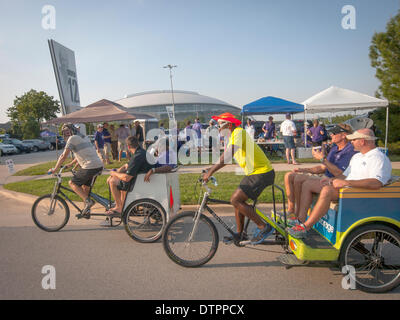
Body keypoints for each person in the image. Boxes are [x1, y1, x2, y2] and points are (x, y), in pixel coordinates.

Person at [287, 128, 392, 238]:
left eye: (354, 139)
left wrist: (345, 182)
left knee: (327, 190)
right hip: (349, 188)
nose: (351, 142)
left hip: (360, 193)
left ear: (362, 141)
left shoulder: (379, 158)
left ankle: (305, 227)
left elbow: (376, 183)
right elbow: (345, 175)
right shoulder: (357, 156)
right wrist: (331, 180)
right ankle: (300, 220)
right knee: (308, 184)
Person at [202, 112, 275, 245]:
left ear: (229, 125)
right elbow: (224, 156)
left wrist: (211, 172)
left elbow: (227, 157)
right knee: (237, 200)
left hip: (262, 172)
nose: (218, 129)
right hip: (254, 173)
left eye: (220, 125)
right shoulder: (233, 137)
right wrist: (210, 169)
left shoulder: (239, 132)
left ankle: (264, 227)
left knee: (235, 199)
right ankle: (240, 234)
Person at [283, 123, 356, 225]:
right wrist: (305, 170)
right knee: (290, 175)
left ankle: (300, 219)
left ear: (344, 135)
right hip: (326, 177)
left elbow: (339, 173)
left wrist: (322, 159)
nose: (331, 135)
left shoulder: (349, 150)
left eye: (334, 133)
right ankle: (292, 212)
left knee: (304, 183)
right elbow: (323, 168)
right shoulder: (335, 148)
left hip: (334, 180)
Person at [48, 123, 103, 217]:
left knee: (72, 183)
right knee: (85, 189)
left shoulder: (72, 138)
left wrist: (55, 169)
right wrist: (71, 164)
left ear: (72, 130)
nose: (67, 134)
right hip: (97, 165)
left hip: (89, 166)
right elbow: (83, 153)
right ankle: (87, 211)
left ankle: (88, 202)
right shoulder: (83, 137)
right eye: (65, 132)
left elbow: (63, 156)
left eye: (68, 131)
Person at [106, 136, 153, 215]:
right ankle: (123, 204)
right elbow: (126, 165)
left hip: (139, 183)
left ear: (128, 147)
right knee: (117, 179)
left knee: (112, 181)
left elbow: (127, 178)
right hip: (143, 179)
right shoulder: (141, 152)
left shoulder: (136, 157)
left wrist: (114, 173)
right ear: (137, 143)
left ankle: (119, 207)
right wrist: (118, 171)